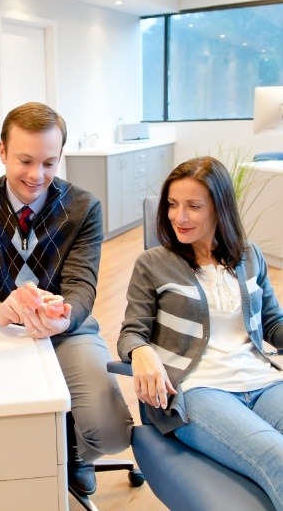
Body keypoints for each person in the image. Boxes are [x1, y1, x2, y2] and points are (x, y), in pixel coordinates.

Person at [0, 102, 133, 496]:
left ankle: (74, 452)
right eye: (25, 160)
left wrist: (64, 318)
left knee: (112, 433)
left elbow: (82, 287)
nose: (36, 175)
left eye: (49, 162)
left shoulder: (83, 207)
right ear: (2, 152)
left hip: (66, 330)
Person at [118, 156, 283, 510]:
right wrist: (141, 352)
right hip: (198, 389)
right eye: (173, 205)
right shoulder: (153, 263)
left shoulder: (249, 255)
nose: (179, 216)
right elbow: (132, 332)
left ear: (220, 209)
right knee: (276, 455)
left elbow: (272, 323)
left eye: (193, 206)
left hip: (262, 379)